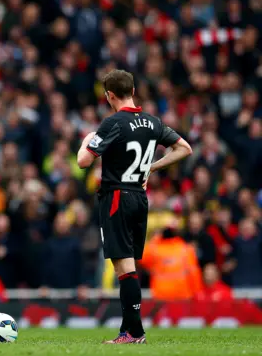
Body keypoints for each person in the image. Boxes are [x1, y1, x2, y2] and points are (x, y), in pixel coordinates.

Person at [77, 70, 192, 344]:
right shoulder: (152, 122)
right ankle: (132, 331)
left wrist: (86, 139)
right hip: (140, 199)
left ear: (110, 95)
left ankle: (133, 332)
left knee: (124, 270)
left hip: (116, 197)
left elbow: (83, 162)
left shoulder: (112, 123)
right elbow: (184, 148)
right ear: (134, 90)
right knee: (129, 268)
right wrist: (151, 166)